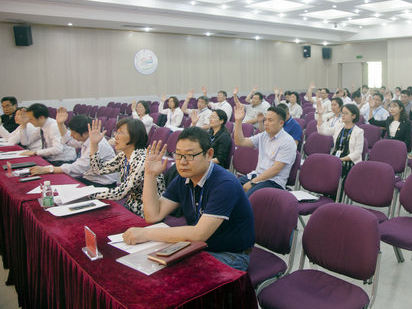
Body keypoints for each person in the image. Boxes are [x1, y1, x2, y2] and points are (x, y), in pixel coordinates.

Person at [121, 128, 254, 271]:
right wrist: (150, 175)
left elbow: (199, 234)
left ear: (209, 154)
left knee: (170, 274)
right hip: (198, 246)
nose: (182, 162)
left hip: (230, 254)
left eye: (190, 155)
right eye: (178, 155)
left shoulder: (225, 184)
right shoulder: (183, 179)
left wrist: (146, 233)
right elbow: (153, 215)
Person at [89, 118, 165, 217]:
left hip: (145, 213)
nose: (115, 136)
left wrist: (90, 194)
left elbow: (120, 193)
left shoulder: (142, 160)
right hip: (130, 206)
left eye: (120, 133)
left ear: (134, 137)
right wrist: (94, 144)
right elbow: (98, 170)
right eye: (116, 132)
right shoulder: (124, 156)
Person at [30, 109, 117, 186]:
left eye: (74, 133)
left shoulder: (96, 143)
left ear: (86, 133)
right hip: (90, 178)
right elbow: (70, 141)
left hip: (101, 183)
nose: (71, 135)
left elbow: (79, 168)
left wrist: (48, 169)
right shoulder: (88, 137)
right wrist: (60, 124)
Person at [233, 105, 296, 196]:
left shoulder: (287, 142)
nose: (266, 123)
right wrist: (238, 121)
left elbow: (275, 169)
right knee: (230, 186)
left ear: (281, 123)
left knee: (246, 197)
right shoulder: (264, 135)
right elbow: (240, 142)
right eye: (265, 120)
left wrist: (252, 182)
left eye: (270, 120)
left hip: (273, 182)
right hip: (258, 176)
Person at [321, 103, 364, 178]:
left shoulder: (359, 132)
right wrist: (320, 115)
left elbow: (357, 153)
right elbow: (322, 131)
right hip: (335, 158)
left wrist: (340, 159)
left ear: (353, 116)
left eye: (346, 113)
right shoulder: (339, 127)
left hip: (348, 161)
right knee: (322, 167)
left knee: (336, 169)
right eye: (342, 113)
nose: (343, 115)